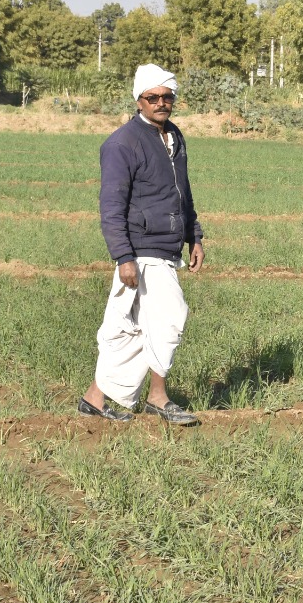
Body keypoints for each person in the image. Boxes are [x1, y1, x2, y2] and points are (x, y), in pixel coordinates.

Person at [79, 64, 205, 425]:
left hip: (168, 247)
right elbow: (111, 205)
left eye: (167, 97)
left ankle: (94, 397)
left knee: (132, 328)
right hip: (141, 248)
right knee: (167, 319)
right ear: (139, 100)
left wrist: (193, 235)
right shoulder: (122, 143)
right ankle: (158, 397)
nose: (161, 103)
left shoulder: (174, 137)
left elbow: (183, 193)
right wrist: (123, 256)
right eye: (153, 97)